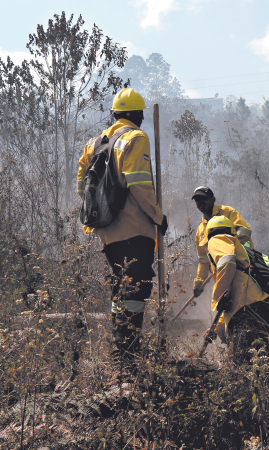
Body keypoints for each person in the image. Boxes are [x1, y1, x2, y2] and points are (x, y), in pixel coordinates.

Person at [77, 88, 168, 376]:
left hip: (107, 232)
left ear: (115, 114)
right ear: (139, 116)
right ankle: (127, 357)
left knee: (121, 289)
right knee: (136, 289)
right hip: (135, 229)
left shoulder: (94, 143)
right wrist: (158, 216)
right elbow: (139, 184)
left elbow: (83, 188)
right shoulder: (136, 138)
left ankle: (120, 352)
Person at [201, 216, 269, 364]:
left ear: (209, 233)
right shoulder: (239, 250)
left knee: (244, 364)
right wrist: (216, 330)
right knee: (259, 362)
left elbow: (227, 262)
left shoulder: (217, 239)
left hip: (247, 311)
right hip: (260, 307)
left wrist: (220, 295)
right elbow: (231, 301)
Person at [192, 186, 253, 298]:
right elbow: (203, 260)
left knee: (248, 298)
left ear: (212, 199)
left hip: (243, 266)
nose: (200, 202)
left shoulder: (227, 212)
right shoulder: (200, 230)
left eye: (203, 199)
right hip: (222, 275)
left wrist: (230, 249)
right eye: (197, 200)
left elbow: (245, 231)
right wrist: (199, 283)